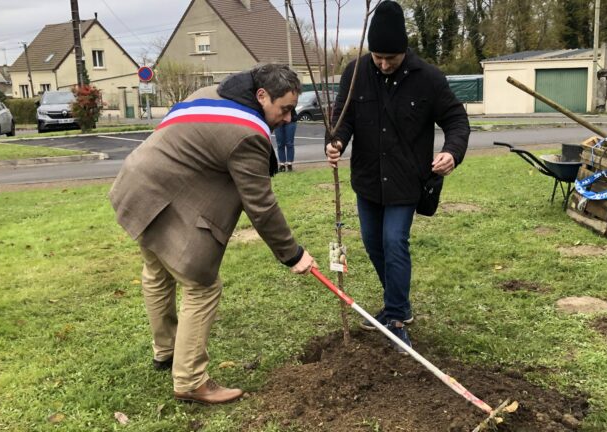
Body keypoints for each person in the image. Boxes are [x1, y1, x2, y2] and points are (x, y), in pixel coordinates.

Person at [109, 64, 316, 404]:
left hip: (136, 188)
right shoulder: (248, 134)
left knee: (157, 272)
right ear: (262, 96)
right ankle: (190, 380)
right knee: (203, 287)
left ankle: (166, 350)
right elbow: (261, 206)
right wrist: (292, 254)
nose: (288, 118)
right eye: (285, 109)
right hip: (160, 195)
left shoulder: (208, 95)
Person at [325, 0, 469, 354]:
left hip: (406, 181)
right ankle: (396, 304)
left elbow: (456, 120)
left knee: (394, 242)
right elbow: (343, 117)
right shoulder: (355, 72)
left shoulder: (428, 79)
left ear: (404, 49)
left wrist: (452, 152)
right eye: (378, 57)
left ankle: (397, 318)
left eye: (391, 57)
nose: (385, 64)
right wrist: (337, 141)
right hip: (368, 180)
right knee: (374, 243)